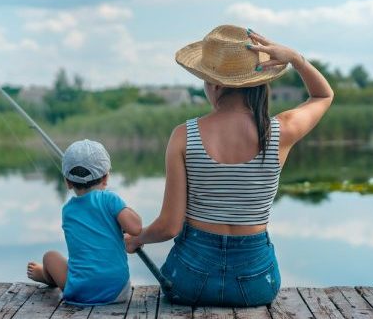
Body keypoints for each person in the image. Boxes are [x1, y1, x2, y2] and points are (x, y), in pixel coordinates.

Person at [124, 25, 334, 306]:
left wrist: (138, 239)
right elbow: (323, 95)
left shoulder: (184, 135)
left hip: (189, 280)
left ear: (215, 84)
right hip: (257, 283)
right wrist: (296, 59)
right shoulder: (281, 131)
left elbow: (169, 227)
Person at [27, 139, 142, 305]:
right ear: (106, 177)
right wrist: (122, 210)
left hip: (79, 292)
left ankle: (45, 276)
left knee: (50, 257)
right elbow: (136, 227)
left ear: (67, 182)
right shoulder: (111, 199)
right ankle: (46, 276)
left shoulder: (67, 211)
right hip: (117, 292)